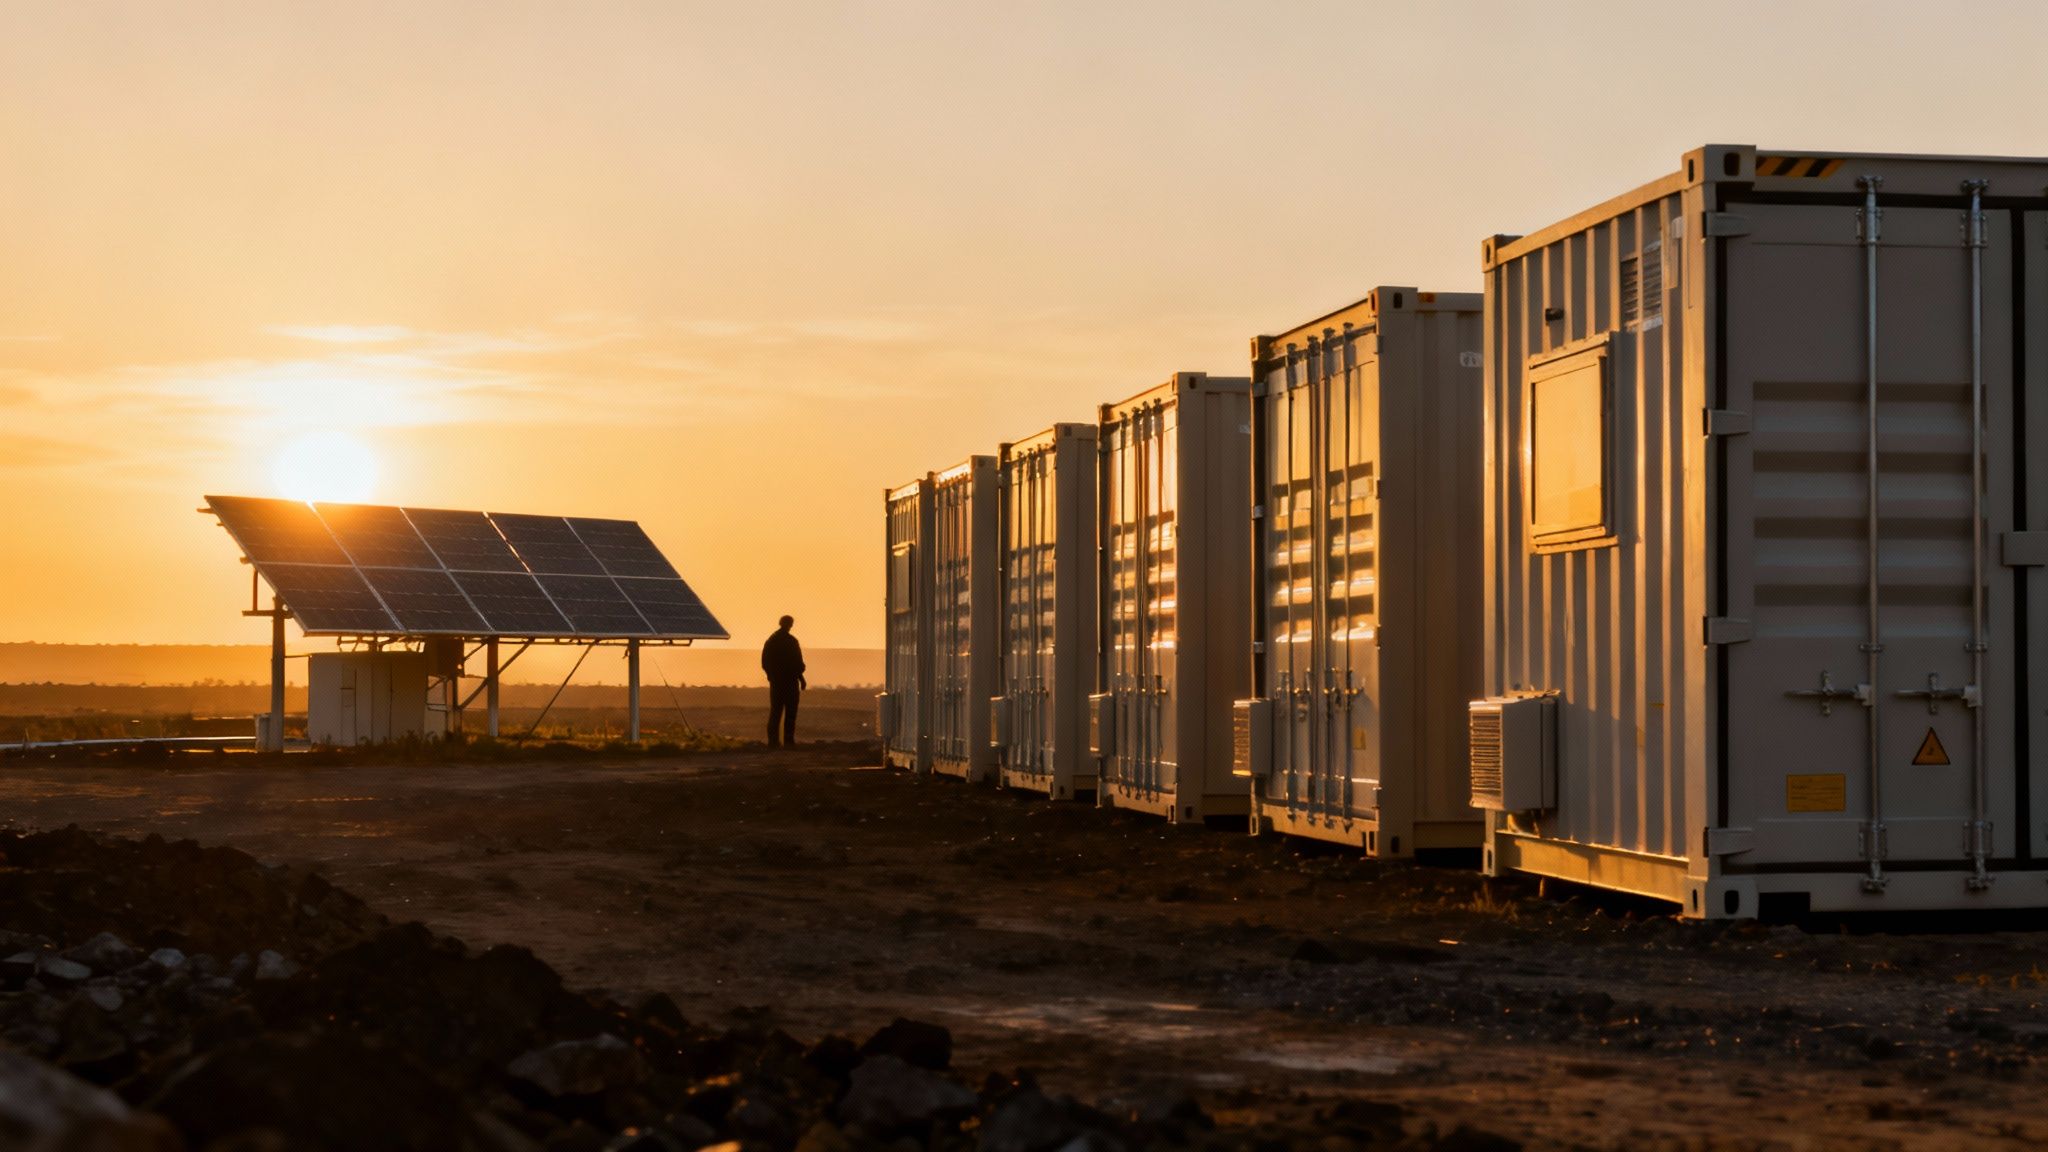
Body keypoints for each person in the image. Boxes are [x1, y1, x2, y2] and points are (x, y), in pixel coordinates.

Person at [761, 614, 807, 747]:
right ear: (790, 625)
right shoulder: (791, 641)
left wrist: (772, 676)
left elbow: (765, 662)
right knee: (789, 713)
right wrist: (801, 679)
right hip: (789, 683)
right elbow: (798, 664)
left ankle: (774, 742)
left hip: (778, 683)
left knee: (776, 712)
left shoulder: (772, 640)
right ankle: (787, 741)